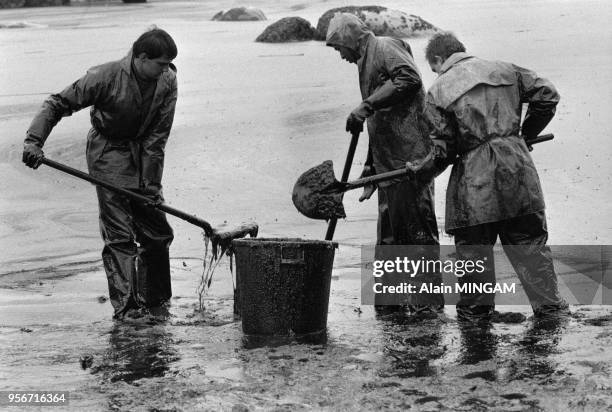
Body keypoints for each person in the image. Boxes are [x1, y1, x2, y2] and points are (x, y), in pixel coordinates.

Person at [22, 28, 178, 319]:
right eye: (160, 64)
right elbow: (57, 103)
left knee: (157, 231)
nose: (165, 70)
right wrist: (34, 141)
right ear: (142, 58)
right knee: (119, 233)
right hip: (108, 151)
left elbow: (158, 137)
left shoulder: (167, 80)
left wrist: (151, 187)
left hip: (143, 150)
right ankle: (128, 309)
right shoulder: (104, 76)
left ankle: (156, 301)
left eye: (168, 64)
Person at [413, 32, 568, 322]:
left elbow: (442, 150)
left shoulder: (438, 91)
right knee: (532, 252)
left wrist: (420, 173)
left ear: (438, 60)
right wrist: (525, 135)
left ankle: (477, 333)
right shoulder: (507, 69)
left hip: (475, 185)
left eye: (434, 68)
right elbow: (547, 95)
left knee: (474, 266)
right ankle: (550, 317)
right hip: (519, 173)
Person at [326, 14, 443, 313]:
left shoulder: (385, 46)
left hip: (410, 161)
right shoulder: (365, 60)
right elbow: (378, 120)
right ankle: (390, 309)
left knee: (416, 235)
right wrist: (370, 165)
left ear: (352, 38)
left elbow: (410, 79)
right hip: (388, 164)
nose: (340, 56)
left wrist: (366, 105)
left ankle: (426, 308)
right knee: (390, 242)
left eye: (340, 48)